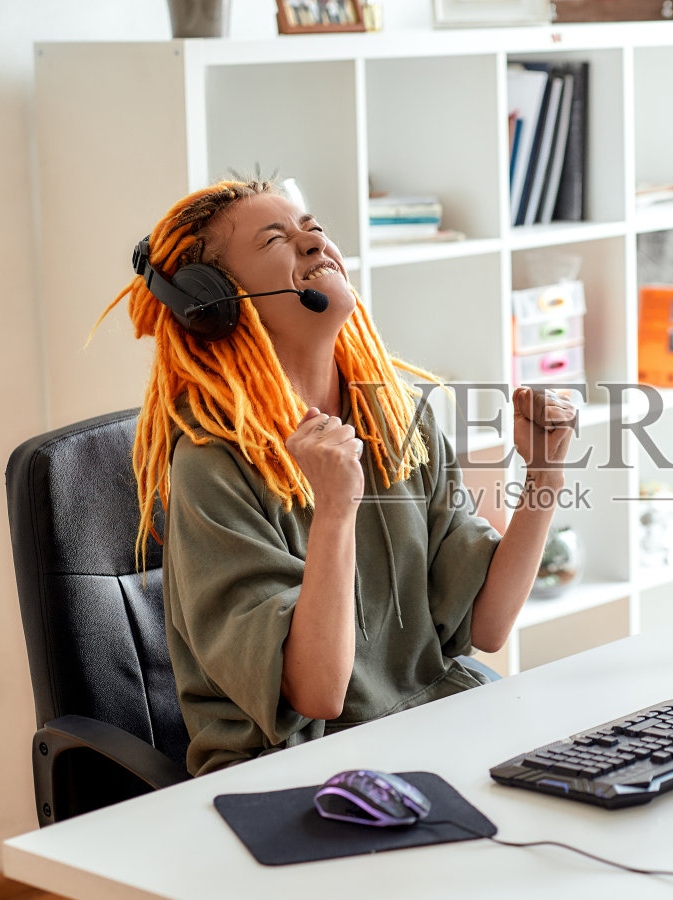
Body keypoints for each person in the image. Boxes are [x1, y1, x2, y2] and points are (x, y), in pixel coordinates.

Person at [95, 179, 577, 775]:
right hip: (295, 769)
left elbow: (488, 623)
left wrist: (545, 474)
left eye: (313, 228)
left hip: (430, 729)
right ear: (215, 303)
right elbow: (318, 694)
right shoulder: (214, 465)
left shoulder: (398, 418)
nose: (314, 243)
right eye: (275, 239)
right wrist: (335, 508)